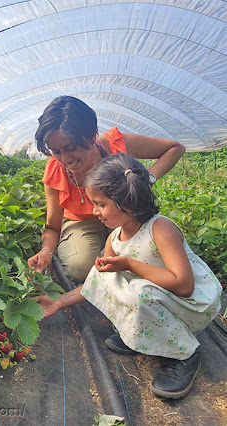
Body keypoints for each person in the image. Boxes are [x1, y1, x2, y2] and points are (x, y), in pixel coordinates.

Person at [36, 153, 222, 399]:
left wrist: (130, 264)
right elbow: (97, 280)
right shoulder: (114, 238)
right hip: (159, 302)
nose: (95, 211)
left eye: (100, 204)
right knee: (116, 279)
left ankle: (183, 355)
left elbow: (184, 285)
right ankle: (141, 335)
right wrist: (59, 302)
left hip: (192, 306)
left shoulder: (160, 228)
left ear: (127, 201)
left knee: (138, 292)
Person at [27, 96, 185, 283]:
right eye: (56, 151)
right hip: (81, 222)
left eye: (71, 148)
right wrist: (46, 251)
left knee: (148, 258)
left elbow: (175, 149)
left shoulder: (116, 145)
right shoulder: (55, 170)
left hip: (124, 215)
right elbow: (53, 227)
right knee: (80, 268)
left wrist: (145, 180)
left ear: (92, 136)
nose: (65, 159)